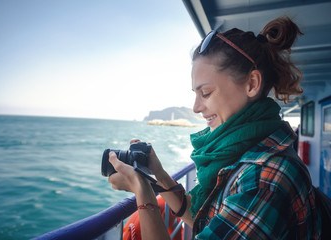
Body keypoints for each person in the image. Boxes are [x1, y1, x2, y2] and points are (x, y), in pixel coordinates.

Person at [107, 16, 322, 239]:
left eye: (206, 93)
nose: (196, 107)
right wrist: (159, 175)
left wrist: (143, 193)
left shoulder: (265, 177)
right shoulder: (247, 152)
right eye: (196, 94)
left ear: (252, 84)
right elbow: (203, 222)